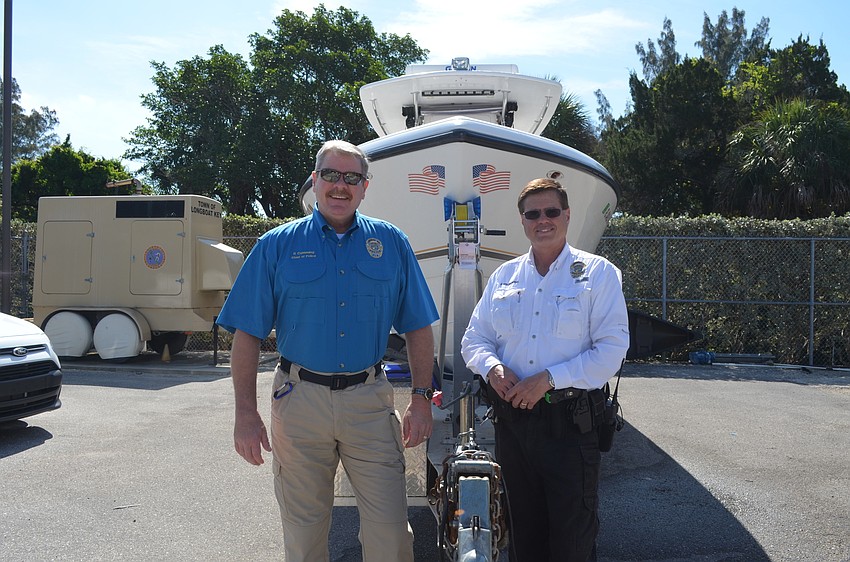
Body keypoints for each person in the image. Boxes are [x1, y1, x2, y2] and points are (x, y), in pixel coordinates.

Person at [216, 140, 439, 562]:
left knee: (391, 533)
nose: (341, 186)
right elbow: (245, 334)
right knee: (303, 535)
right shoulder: (275, 245)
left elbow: (417, 326)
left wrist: (422, 398)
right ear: (315, 181)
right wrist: (245, 413)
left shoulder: (391, 243)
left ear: (365, 186)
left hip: (369, 402)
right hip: (299, 403)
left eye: (351, 177)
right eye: (332, 175)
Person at [461, 177, 630, 562]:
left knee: (571, 543)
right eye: (532, 213)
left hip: (569, 428)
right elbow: (474, 340)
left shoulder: (598, 274)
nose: (543, 220)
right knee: (522, 538)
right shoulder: (505, 277)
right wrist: (492, 369)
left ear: (567, 215)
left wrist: (550, 379)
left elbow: (612, 352)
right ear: (523, 221)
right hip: (514, 428)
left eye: (551, 211)